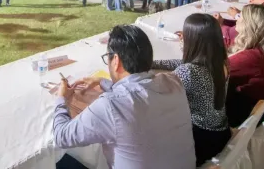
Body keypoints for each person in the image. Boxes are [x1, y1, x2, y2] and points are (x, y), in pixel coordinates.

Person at [53, 25, 196, 169]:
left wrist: (61, 98)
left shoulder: (110, 105)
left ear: (116, 60)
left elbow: (61, 137)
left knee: (61, 161)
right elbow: (139, 93)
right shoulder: (174, 82)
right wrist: (102, 82)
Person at [152, 14, 231, 166]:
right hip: (220, 132)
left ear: (193, 40)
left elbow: (156, 91)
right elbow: (183, 62)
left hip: (200, 140)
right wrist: (153, 63)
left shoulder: (189, 71)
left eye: (185, 35)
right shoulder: (221, 61)